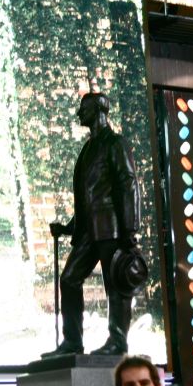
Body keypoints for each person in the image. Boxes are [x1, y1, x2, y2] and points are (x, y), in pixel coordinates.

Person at [42, 92, 141, 357]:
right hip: (90, 231)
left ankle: (117, 341)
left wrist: (130, 228)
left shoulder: (115, 143)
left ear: (98, 110)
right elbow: (89, 199)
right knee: (69, 279)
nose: (79, 113)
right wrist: (68, 228)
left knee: (115, 285)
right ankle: (72, 342)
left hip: (112, 229)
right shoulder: (88, 149)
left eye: (83, 108)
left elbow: (129, 184)